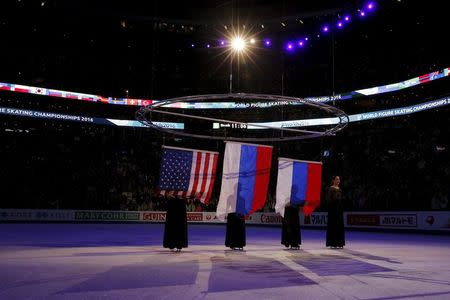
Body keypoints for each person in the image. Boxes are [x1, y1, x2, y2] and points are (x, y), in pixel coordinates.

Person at [326, 175, 345, 248]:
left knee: (339, 226)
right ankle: (333, 243)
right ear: (333, 180)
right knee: (333, 226)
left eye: (339, 179)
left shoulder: (340, 189)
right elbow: (328, 200)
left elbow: (341, 199)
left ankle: (340, 242)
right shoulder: (331, 189)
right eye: (337, 179)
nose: (338, 181)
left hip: (339, 210)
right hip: (333, 210)